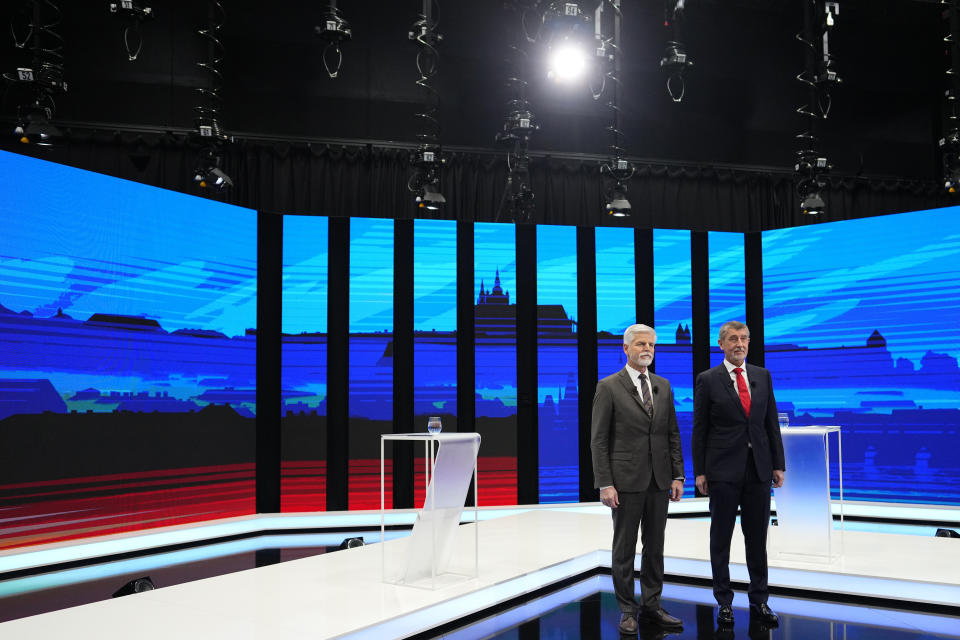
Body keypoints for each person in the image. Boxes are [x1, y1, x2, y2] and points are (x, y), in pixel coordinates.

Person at [591, 324, 685, 634]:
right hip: (625, 481)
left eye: (652, 345)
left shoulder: (663, 385)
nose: (647, 349)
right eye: (641, 344)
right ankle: (627, 610)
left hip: (659, 480)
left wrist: (677, 475)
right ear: (626, 348)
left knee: (655, 547)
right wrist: (605, 483)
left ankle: (652, 605)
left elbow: (672, 433)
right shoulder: (609, 387)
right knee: (624, 549)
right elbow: (599, 440)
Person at [692, 321, 785, 628]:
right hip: (722, 471)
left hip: (758, 469)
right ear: (721, 344)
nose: (740, 344)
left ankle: (760, 600)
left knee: (757, 538)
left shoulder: (762, 375)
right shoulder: (708, 380)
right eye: (733, 339)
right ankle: (724, 602)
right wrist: (700, 471)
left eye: (744, 339)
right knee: (721, 538)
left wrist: (778, 464)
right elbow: (700, 429)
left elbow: (771, 423)